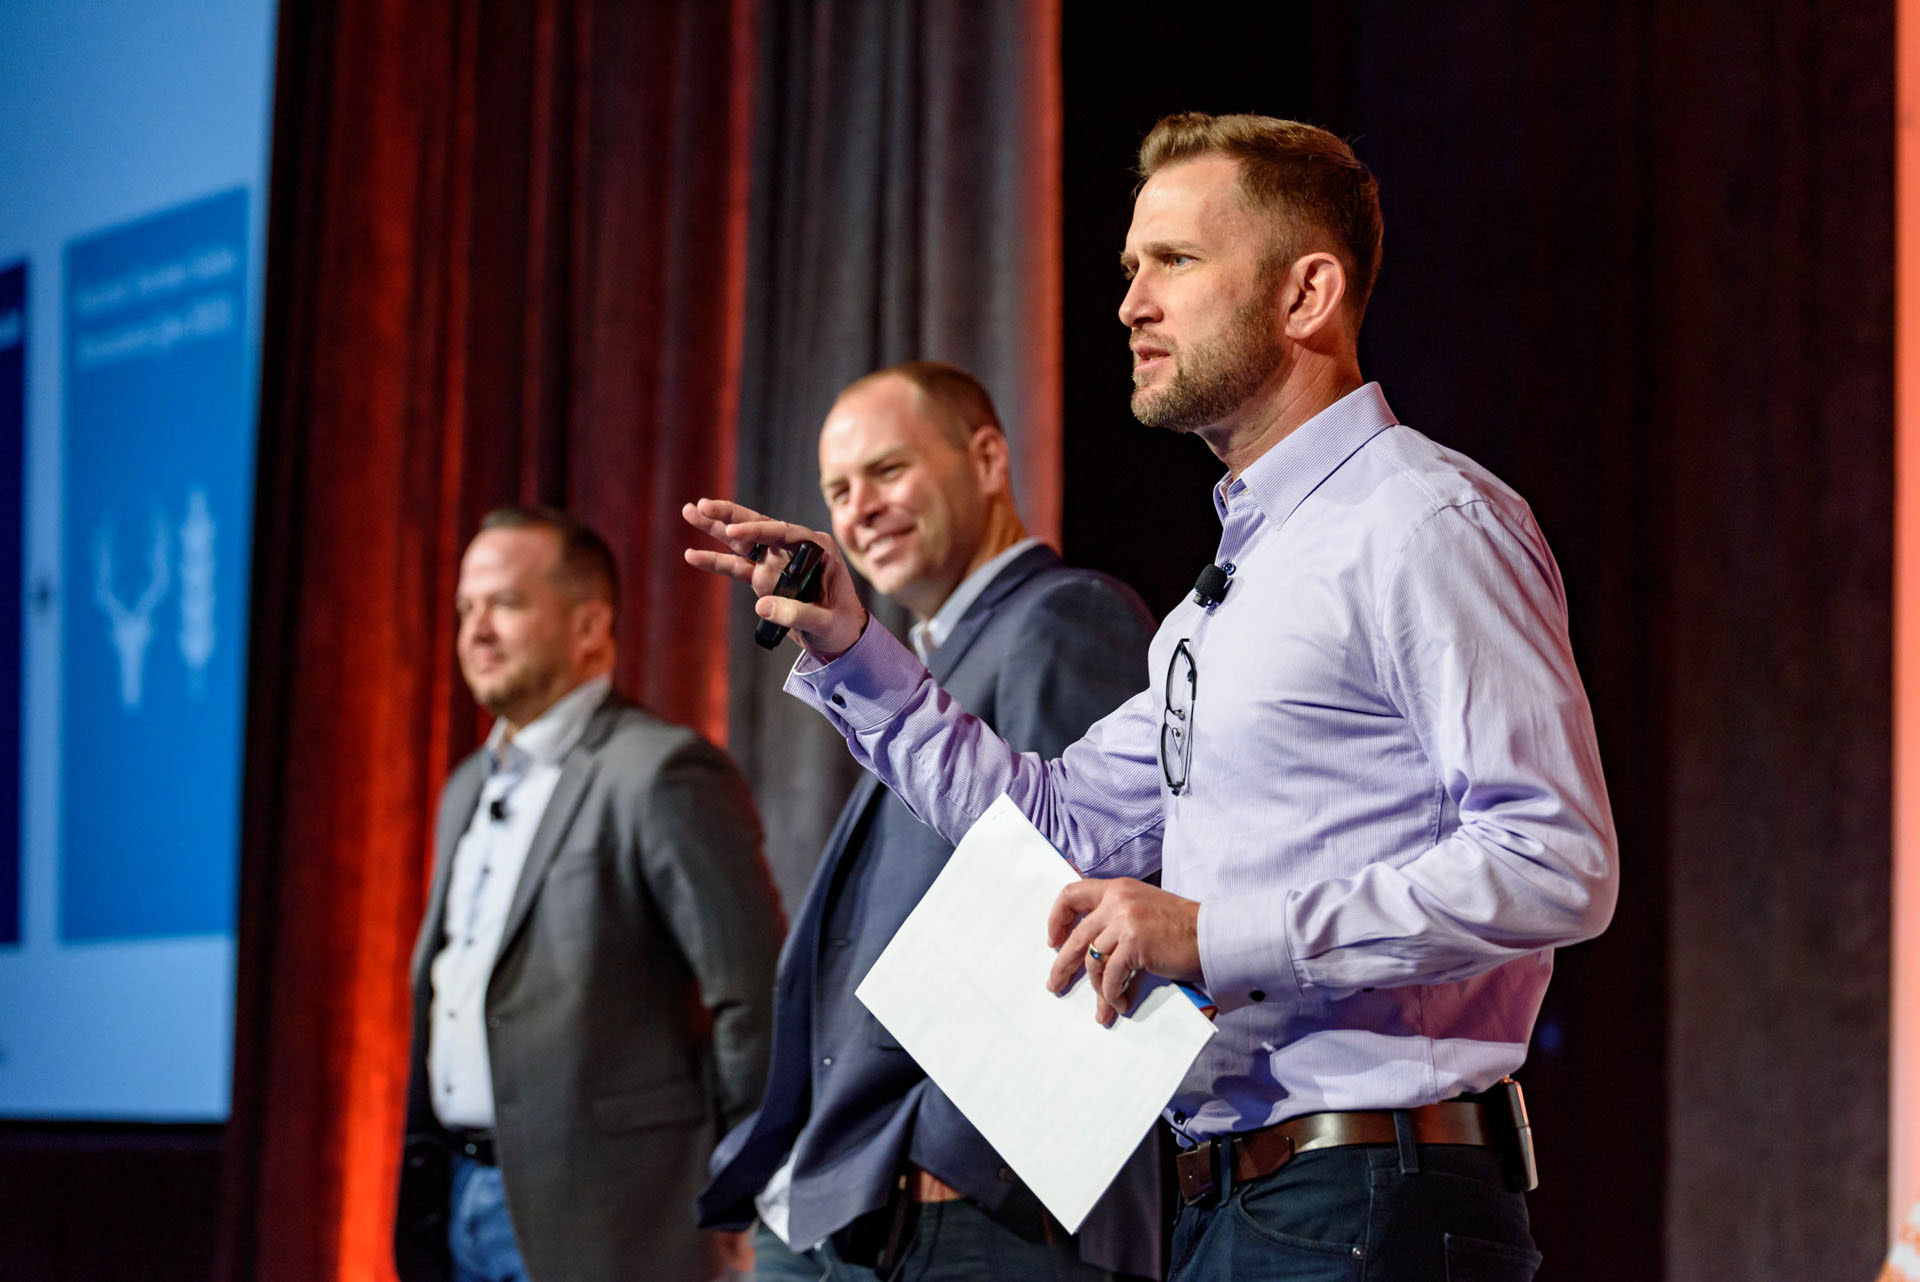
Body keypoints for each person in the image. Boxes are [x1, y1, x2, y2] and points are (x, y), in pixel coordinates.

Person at [685, 112, 1618, 1282]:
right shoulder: (1219, 601)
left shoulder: (1424, 523)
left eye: (1174, 261)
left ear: (1306, 293)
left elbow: (1554, 860)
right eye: (1131, 267)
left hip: (1376, 1191)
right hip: (1238, 1199)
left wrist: (1210, 934)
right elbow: (1052, 825)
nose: (1131, 303)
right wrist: (852, 646)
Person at [695, 361, 1162, 1281]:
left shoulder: (1065, 617)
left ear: (987, 459)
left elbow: (1076, 881)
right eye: (838, 490)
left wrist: (947, 1157)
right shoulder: (927, 659)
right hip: (859, 1189)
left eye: (888, 470)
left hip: (964, 1204)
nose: (860, 508)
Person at [395, 507, 783, 1282]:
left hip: (609, 1222)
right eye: (467, 609)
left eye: (505, 604)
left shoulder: (659, 771)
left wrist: (746, 1183)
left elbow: (754, 996)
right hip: (457, 1196)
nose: (476, 631)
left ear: (590, 625)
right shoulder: (466, 786)